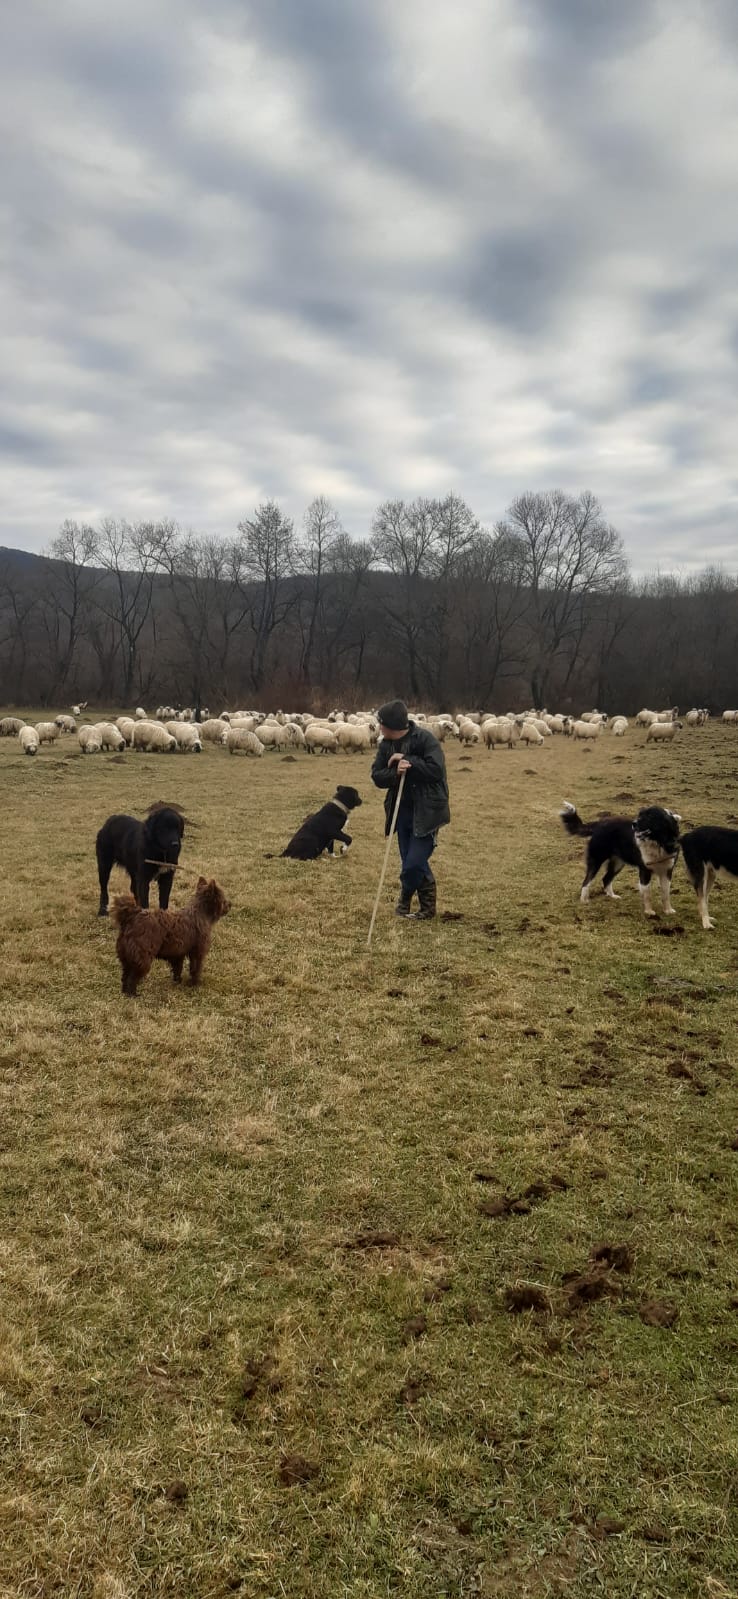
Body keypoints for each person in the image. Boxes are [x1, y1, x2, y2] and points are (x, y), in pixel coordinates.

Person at [371, 700, 450, 920]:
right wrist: (395, 772)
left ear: (393, 726)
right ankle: (425, 909)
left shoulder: (425, 739)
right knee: (409, 860)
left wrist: (408, 761)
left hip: (427, 809)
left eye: (382, 724)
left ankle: (405, 899)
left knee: (414, 861)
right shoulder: (385, 745)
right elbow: (377, 776)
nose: (379, 728)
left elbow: (435, 770)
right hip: (401, 809)